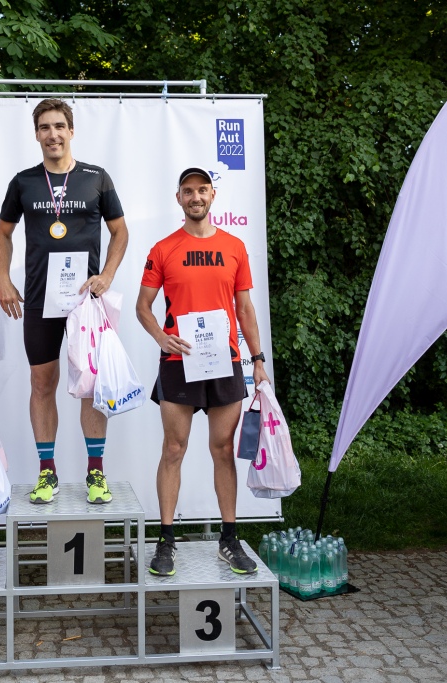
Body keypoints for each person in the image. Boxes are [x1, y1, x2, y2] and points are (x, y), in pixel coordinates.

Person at [0, 98, 129, 505]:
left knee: (91, 384)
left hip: (85, 300)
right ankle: (47, 472)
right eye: (44, 127)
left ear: (71, 131)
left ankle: (96, 473)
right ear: (36, 134)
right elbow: (3, 233)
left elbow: (120, 231)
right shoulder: (23, 182)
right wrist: (3, 278)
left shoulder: (96, 178)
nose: (52, 134)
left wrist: (107, 275)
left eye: (58, 126)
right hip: (40, 299)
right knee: (42, 383)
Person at [135, 167, 269, 576]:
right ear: (179, 198)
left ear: (212, 196)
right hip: (179, 362)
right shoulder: (163, 249)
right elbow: (143, 306)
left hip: (224, 361)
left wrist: (258, 359)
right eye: (188, 191)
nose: (196, 197)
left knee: (223, 450)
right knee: (174, 449)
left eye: (202, 190)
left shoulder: (234, 247)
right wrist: (161, 337)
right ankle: (166, 540)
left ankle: (229, 538)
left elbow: (244, 309)